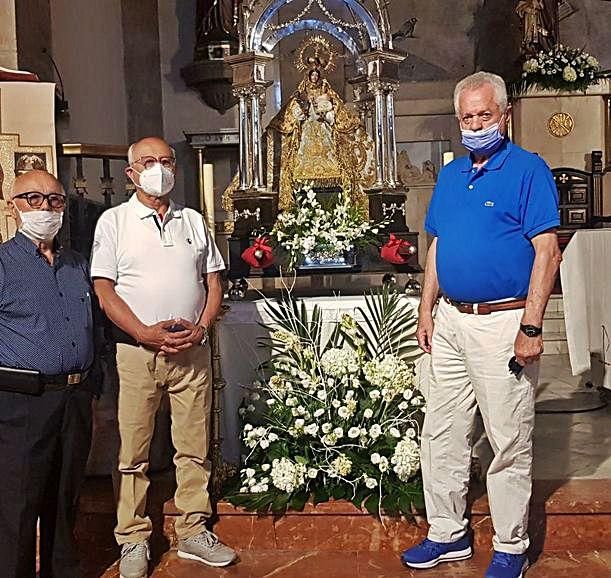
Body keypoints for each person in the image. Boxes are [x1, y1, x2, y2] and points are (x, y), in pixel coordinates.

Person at [401, 72, 561, 578]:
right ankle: (447, 534)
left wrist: (531, 327)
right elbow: (438, 246)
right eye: (466, 117)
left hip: (503, 321)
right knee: (442, 431)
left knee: (507, 437)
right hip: (449, 320)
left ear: (504, 115)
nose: (474, 125)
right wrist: (426, 310)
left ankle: (512, 545)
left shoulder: (529, 171)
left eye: (483, 115)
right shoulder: (450, 176)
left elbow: (547, 251)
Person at [90, 137, 236, 578]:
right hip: (137, 354)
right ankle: (133, 538)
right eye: (148, 162)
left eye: (166, 161)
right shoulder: (114, 221)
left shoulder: (192, 220)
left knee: (193, 447)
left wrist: (202, 327)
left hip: (189, 351)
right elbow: (103, 288)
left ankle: (193, 530)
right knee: (133, 452)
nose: (159, 168)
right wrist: (142, 332)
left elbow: (214, 283)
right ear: (131, 173)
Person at [0, 170, 96, 578]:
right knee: (18, 503)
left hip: (75, 398)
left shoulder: (77, 265)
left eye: (55, 200)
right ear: (12, 206)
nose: (45, 208)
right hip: (23, 401)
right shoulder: (3, 263)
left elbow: (95, 326)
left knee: (65, 497)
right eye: (33, 198)